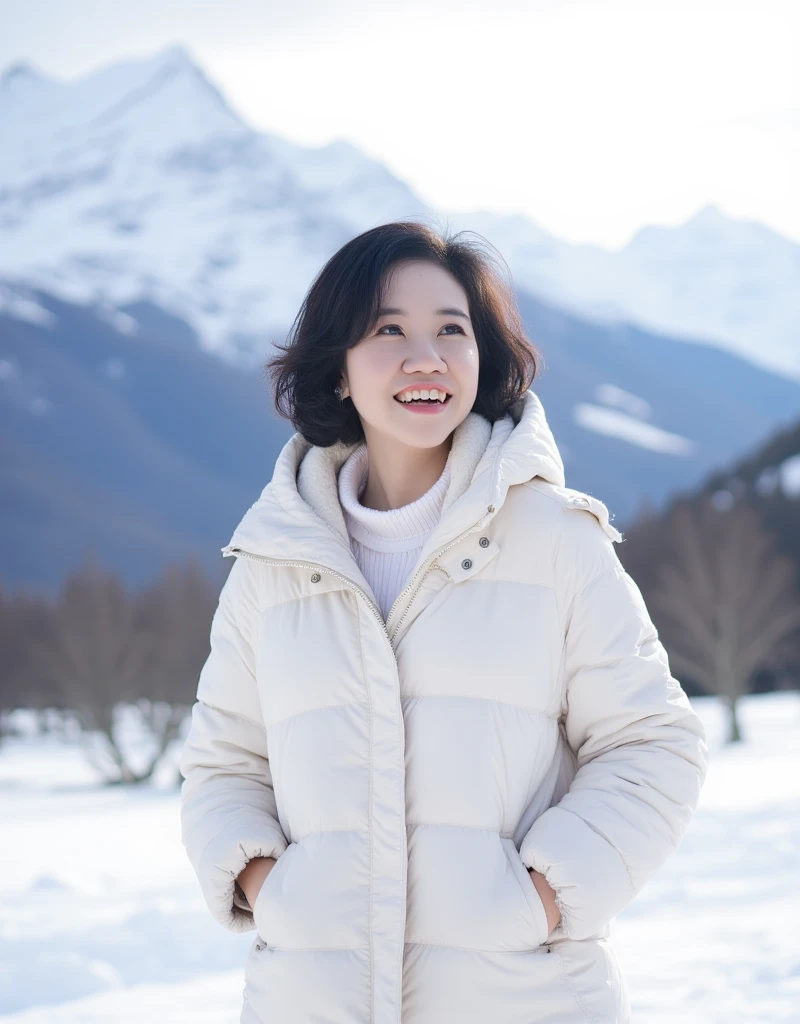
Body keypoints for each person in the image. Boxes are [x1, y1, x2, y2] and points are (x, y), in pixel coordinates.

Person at [179, 220, 709, 1024]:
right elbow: (223, 768)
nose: (424, 356)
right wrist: (272, 890)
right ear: (339, 372)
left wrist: (541, 902)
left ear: (480, 361)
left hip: (519, 999)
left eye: (451, 331)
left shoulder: (557, 540)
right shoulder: (272, 565)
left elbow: (652, 743)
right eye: (388, 329)